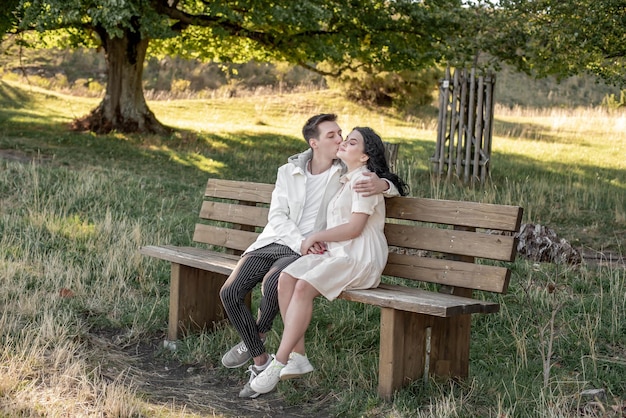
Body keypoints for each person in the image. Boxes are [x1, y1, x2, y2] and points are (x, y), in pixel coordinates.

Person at [219, 115, 399, 398]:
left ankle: (266, 361)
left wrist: (384, 184)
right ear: (313, 143)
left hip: (325, 250)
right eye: (333, 135)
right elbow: (277, 215)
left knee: (275, 281)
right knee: (230, 292)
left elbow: (380, 176)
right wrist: (302, 240)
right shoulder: (289, 171)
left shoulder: (346, 172)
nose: (340, 139)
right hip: (281, 240)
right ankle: (265, 349)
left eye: (343, 135)